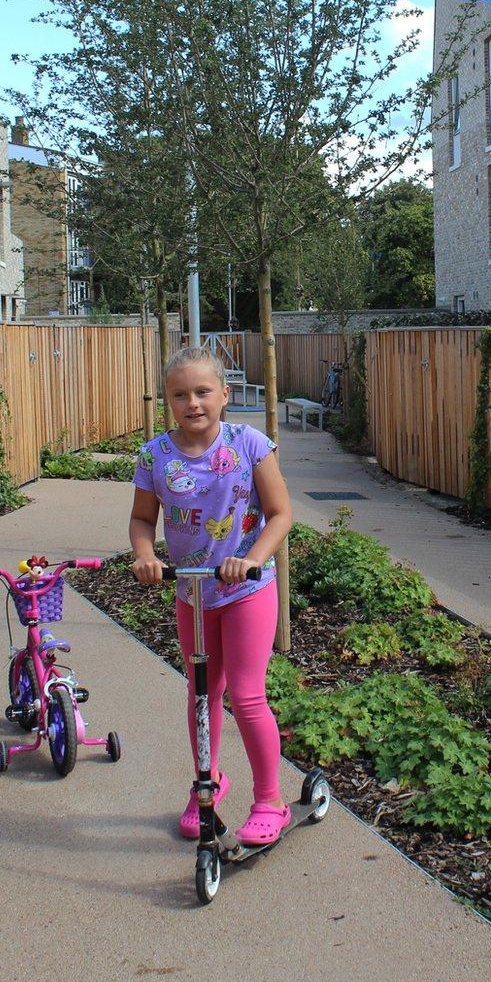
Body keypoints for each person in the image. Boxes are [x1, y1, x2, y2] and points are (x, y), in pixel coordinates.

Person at [129, 346, 293, 844]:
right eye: (180, 394)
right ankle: (208, 782)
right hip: (192, 590)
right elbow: (142, 519)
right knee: (203, 691)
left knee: (245, 695)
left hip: (245, 590)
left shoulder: (249, 445)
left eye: (203, 392)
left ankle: (271, 799)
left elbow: (280, 513)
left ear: (224, 395)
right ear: (167, 401)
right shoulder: (155, 455)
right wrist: (144, 554)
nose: (193, 403)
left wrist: (254, 557)